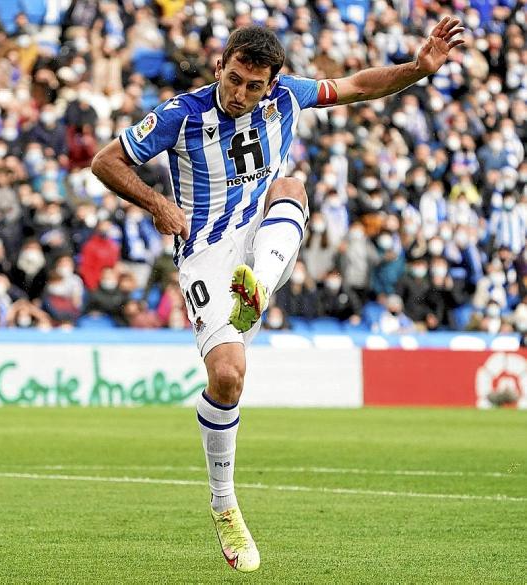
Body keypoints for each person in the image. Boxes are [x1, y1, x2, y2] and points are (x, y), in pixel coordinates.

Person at [91, 20, 466, 573]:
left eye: (253, 86)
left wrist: (415, 70)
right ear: (220, 65)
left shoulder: (289, 96)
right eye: (234, 79)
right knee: (227, 377)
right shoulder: (181, 114)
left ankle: (259, 286)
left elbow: (358, 85)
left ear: (273, 84)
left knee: (290, 186)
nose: (239, 94)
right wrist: (156, 203)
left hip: (261, 237)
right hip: (205, 251)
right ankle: (224, 504)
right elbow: (106, 161)